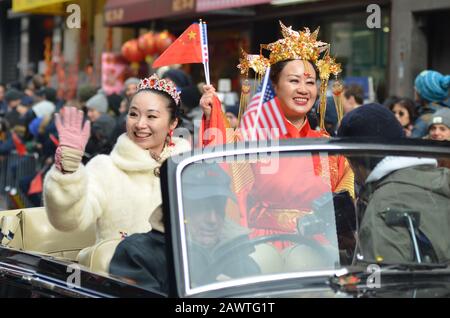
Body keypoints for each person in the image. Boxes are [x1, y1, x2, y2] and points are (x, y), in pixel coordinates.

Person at [199, 22, 354, 240]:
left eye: (310, 82)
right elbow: (221, 161)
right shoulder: (254, 139)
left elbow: (346, 200)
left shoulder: (329, 148)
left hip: (320, 247)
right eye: (293, 80)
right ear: (275, 84)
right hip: (263, 243)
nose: (303, 89)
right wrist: (211, 113)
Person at [43, 74, 191, 243]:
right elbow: (69, 222)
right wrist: (68, 172)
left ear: (173, 123)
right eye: (134, 114)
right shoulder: (105, 169)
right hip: (117, 268)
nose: (140, 124)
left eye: (151, 116)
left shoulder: (187, 170)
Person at [109, 163, 260, 294]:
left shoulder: (241, 261)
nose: (212, 220)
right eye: (201, 207)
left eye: (218, 206)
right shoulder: (137, 255)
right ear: (177, 206)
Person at [337, 103, 450, 264]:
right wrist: (359, 245)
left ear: (354, 158)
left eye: (347, 158)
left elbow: (381, 284)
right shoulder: (442, 178)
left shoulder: (381, 209)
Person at [412, 70, 450, 138]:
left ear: (425, 93)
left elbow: (411, 145)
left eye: (417, 86)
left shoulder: (425, 119)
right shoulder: (446, 112)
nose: (414, 88)